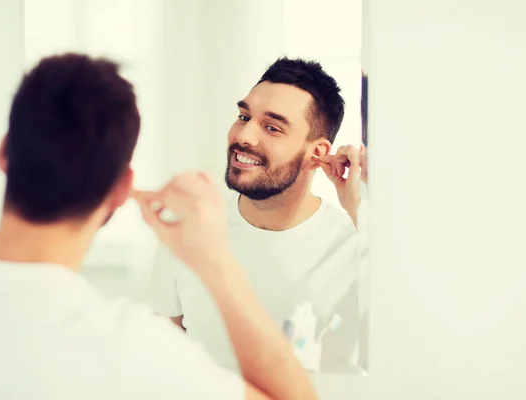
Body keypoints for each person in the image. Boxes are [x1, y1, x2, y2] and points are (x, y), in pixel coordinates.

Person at [0, 54, 318, 400]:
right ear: (123, 188)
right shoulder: (129, 350)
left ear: (4, 152)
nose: (245, 135)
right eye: (244, 117)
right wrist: (216, 264)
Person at [148, 57, 369, 373]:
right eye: (243, 116)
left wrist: (359, 210)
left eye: (272, 127)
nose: (243, 136)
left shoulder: (355, 240)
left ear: (316, 154)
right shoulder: (188, 230)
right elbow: (162, 359)